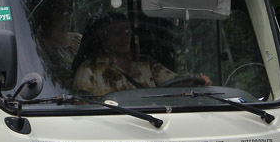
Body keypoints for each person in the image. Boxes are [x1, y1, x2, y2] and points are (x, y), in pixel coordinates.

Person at [72, 13, 205, 99]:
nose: (124, 38)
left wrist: (196, 81)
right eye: (117, 33)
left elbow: (174, 81)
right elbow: (82, 108)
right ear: (103, 36)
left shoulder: (146, 63)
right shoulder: (89, 69)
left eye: (127, 33)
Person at [28, 0, 81, 87]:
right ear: (47, 12)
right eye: (62, 10)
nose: (68, 15)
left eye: (70, 10)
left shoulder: (79, 40)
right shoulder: (33, 43)